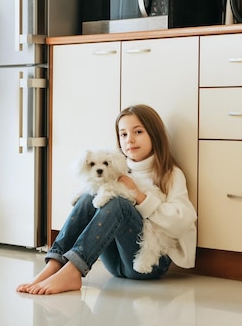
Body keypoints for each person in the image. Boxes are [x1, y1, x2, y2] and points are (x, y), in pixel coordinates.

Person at [16, 104, 197, 295]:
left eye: (138, 132)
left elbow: (183, 220)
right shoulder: (116, 169)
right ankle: (54, 265)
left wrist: (139, 195)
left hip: (151, 264)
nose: (130, 140)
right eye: (123, 134)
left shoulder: (170, 174)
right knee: (89, 196)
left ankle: (73, 270)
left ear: (154, 134)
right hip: (116, 263)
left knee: (118, 202)